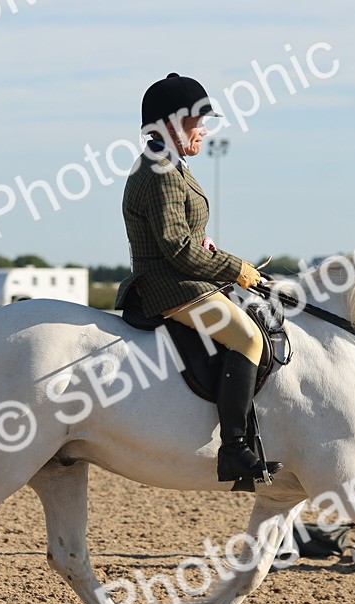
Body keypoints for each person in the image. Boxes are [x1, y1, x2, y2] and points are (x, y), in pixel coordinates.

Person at [115, 72, 281, 484]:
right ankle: (235, 448)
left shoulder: (171, 166)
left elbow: (187, 239)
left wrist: (212, 249)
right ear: (170, 124)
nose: (204, 131)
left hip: (184, 278)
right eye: (197, 122)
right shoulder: (160, 172)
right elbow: (178, 250)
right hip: (171, 287)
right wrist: (237, 269)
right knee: (248, 337)